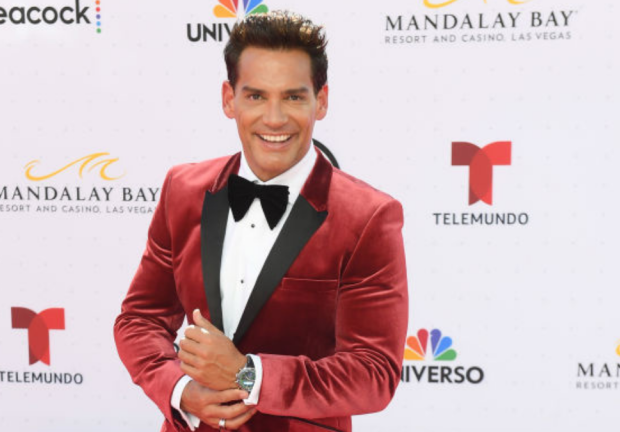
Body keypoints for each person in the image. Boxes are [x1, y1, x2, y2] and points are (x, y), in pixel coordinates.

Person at [114, 11, 408, 432]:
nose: (274, 118)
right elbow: (139, 320)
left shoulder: (368, 216)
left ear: (321, 101)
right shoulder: (183, 189)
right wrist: (180, 390)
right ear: (228, 99)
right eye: (255, 96)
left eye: (293, 97)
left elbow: (374, 373)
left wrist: (247, 375)